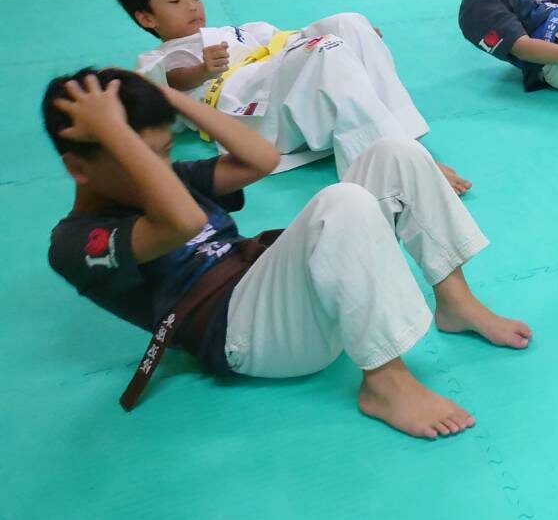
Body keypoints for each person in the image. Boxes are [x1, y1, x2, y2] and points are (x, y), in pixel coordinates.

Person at [45, 68, 531, 438]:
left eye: (164, 151)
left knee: (394, 152)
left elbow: (262, 159)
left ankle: (455, 301)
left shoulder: (170, 178)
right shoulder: (75, 242)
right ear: (79, 169)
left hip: (281, 294)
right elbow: (182, 223)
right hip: (243, 336)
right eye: (136, 156)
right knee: (342, 203)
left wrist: (166, 97)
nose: (159, 166)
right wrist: (116, 133)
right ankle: (385, 382)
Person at [116, 0, 469, 192]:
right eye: (175, 1)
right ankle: (392, 167)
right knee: (326, 48)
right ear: (146, 18)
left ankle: (403, 145)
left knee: (347, 23)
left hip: (282, 90)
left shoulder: (241, 32)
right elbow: (169, 84)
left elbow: (292, 42)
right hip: (246, 115)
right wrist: (201, 70)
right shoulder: (155, 58)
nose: (192, 6)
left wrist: (358, 37)